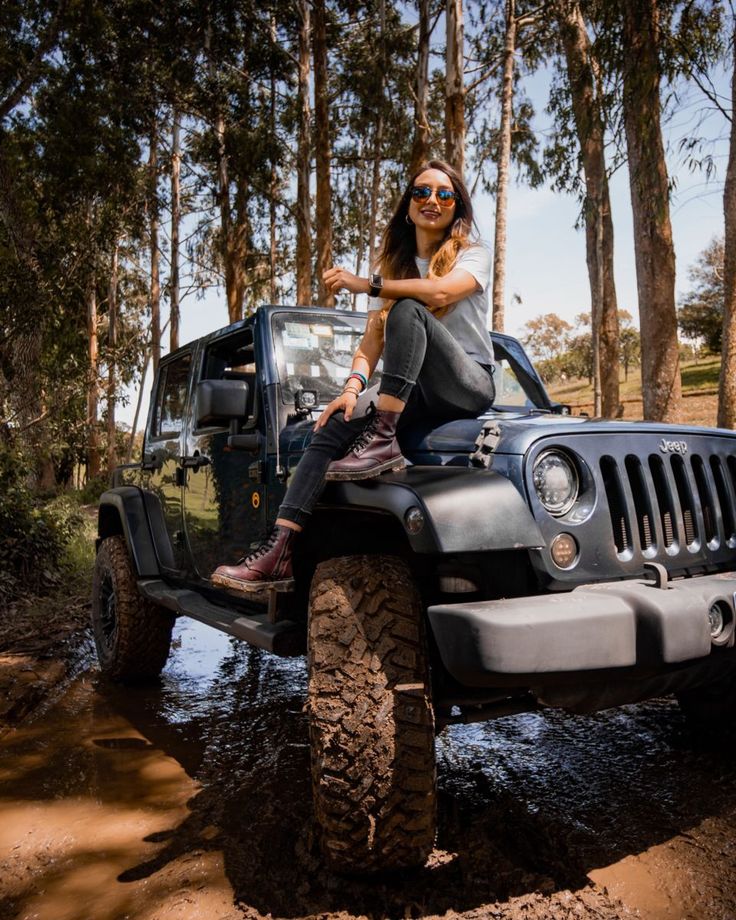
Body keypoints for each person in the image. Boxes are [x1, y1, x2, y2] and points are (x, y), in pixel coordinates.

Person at [211, 159, 495, 593]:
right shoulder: (397, 266)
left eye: (444, 194)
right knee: (329, 427)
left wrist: (370, 284)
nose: (432, 201)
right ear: (408, 205)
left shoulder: (472, 254)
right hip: (411, 388)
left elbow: (439, 292)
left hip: (466, 382)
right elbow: (370, 345)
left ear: (457, 207)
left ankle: (382, 438)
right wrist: (350, 389)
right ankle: (280, 551)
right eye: (421, 192)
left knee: (408, 310)